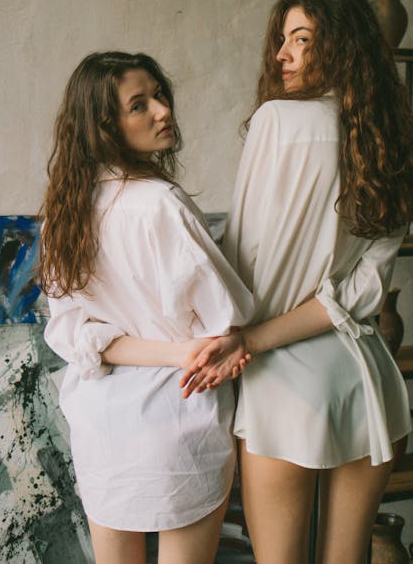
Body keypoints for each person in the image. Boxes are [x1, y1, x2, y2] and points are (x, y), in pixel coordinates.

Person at [180, 0, 413, 564]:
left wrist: (240, 339)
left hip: (285, 390)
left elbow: (244, 267)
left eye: (301, 39)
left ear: (340, 47)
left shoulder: (276, 121)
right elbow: (365, 290)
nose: (281, 54)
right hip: (367, 384)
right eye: (282, 40)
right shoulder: (388, 145)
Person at [40, 52, 253, 564]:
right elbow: (227, 321)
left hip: (103, 427)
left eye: (159, 95)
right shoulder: (161, 204)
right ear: (104, 127)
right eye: (140, 105)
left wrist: (176, 352)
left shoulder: (64, 212)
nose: (162, 111)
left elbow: (77, 336)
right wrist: (188, 353)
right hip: (178, 419)